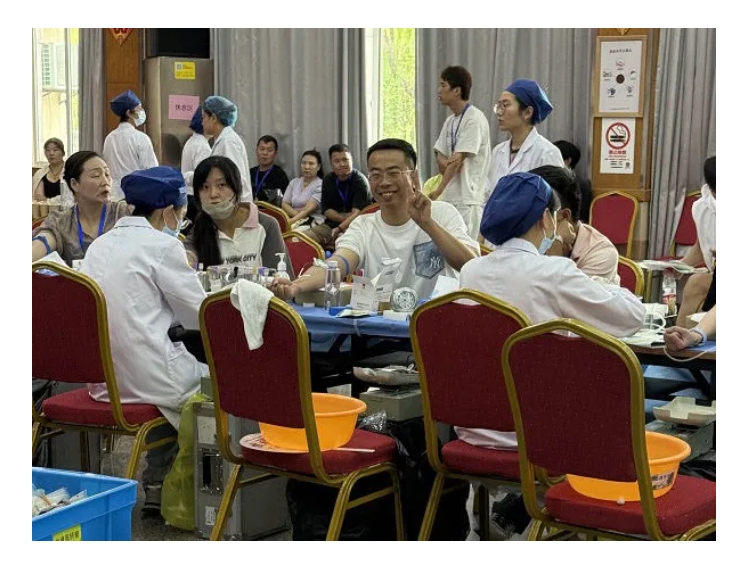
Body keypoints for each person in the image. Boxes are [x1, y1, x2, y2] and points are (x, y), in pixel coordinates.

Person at [458, 172, 645, 539]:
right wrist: (608, 286)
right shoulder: (554, 272)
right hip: (538, 439)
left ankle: (511, 516)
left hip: (473, 431)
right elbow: (630, 317)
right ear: (546, 218)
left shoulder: (470, 272)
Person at [79, 166, 207, 514]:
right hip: (148, 377)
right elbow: (199, 316)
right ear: (167, 212)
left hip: (103, 383)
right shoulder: (164, 246)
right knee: (214, 383)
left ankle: (158, 481)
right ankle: (176, 485)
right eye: (181, 213)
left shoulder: (100, 245)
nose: (181, 220)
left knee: (174, 375)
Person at [271, 138, 479, 303]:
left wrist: (427, 224)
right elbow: (337, 264)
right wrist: (296, 286)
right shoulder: (364, 225)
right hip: (382, 328)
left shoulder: (443, 213)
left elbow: (470, 265)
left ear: (413, 176)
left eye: (393, 173)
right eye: (376, 175)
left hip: (434, 325)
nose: (384, 182)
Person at [185, 155, 292, 272]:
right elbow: (187, 258)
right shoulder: (200, 229)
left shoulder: (266, 225)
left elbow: (279, 277)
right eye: (205, 187)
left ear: (236, 188)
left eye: (221, 185)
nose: (213, 194)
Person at [32, 151, 131, 264]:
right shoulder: (61, 222)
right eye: (96, 175)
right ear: (74, 184)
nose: (105, 182)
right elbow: (42, 243)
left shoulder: (124, 214)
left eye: (107, 174)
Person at [529, 165, 620, 285]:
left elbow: (560, 293)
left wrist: (556, 244)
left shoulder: (601, 254)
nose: (527, 220)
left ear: (563, 216)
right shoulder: (527, 235)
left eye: (536, 213)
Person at [430, 66, 491, 240]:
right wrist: (449, 163)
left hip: (467, 198)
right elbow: (440, 155)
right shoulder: (450, 120)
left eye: (443, 85)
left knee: (464, 247)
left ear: (456, 91)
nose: (439, 90)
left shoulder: (474, 118)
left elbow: (458, 161)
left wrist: (438, 190)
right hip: (450, 196)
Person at [486, 79, 564, 199]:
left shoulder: (547, 153)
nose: (499, 112)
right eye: (498, 106)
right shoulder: (498, 151)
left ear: (527, 112)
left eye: (505, 105)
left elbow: (555, 201)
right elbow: (487, 193)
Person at [303, 144, 371, 249]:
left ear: (351, 160)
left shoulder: (360, 181)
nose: (342, 164)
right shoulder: (328, 180)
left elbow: (356, 214)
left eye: (345, 160)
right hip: (330, 225)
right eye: (337, 161)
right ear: (331, 163)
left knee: (342, 245)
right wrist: (344, 217)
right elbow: (327, 211)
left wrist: (339, 228)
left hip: (355, 227)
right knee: (301, 240)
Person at [676, 156, 716, 328]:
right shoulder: (701, 207)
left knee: (697, 282)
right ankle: (678, 336)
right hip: (715, 276)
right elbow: (701, 248)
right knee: (695, 283)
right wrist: (681, 266)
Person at [102, 90, 159, 201]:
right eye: (139, 109)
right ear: (129, 113)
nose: (142, 112)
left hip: (113, 196)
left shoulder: (109, 138)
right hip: (136, 196)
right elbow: (152, 171)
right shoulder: (141, 138)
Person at [202, 95, 253, 203]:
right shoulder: (222, 141)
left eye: (204, 118)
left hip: (234, 207)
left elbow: (236, 179)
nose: (202, 122)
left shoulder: (228, 142)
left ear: (213, 118)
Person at [180, 105, 212, 228]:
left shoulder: (192, 141)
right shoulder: (202, 146)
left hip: (188, 195)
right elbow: (203, 175)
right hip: (195, 197)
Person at [281, 149, 324, 229]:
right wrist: (295, 214)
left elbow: (308, 209)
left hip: (313, 221)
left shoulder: (320, 184)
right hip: (294, 219)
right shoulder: (294, 182)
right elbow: (285, 203)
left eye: (311, 163)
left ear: (318, 167)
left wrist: (289, 222)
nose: (307, 167)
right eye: (304, 163)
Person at [553, 140, 592, 223]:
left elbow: (581, 217)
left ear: (567, 161)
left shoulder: (580, 185)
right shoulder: (546, 179)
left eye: (554, 157)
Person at [32, 137, 74, 208]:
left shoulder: (70, 171)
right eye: (47, 150)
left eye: (55, 150)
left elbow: (71, 198)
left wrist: (47, 201)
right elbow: (36, 198)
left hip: (66, 211)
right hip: (43, 212)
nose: (51, 153)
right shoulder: (40, 173)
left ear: (63, 153)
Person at [250, 135, 291, 206]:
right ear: (256, 151)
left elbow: (285, 203)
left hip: (270, 211)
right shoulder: (250, 173)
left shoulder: (279, 175)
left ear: (275, 154)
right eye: (262, 149)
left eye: (269, 150)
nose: (265, 153)